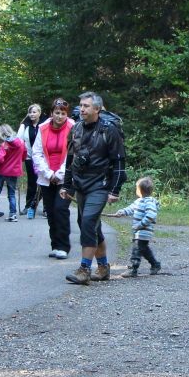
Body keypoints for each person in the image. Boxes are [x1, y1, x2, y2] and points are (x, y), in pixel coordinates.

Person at [62, 92, 127, 285]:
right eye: (81, 105)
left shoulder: (109, 130)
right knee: (89, 225)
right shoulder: (76, 128)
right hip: (81, 184)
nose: (81, 109)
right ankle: (103, 267)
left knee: (88, 221)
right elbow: (70, 159)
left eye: (86, 106)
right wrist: (66, 185)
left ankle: (84, 270)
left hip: (100, 184)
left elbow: (119, 162)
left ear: (97, 109)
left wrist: (115, 190)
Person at [33, 98, 74, 259]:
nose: (60, 117)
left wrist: (60, 174)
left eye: (63, 114)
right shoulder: (42, 128)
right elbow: (37, 153)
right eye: (57, 113)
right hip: (46, 177)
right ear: (51, 113)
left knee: (60, 209)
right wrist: (49, 173)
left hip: (66, 177)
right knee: (50, 211)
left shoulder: (73, 127)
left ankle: (64, 246)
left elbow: (73, 153)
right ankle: (55, 245)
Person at [106, 176, 162, 277]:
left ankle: (133, 269)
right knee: (144, 249)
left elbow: (151, 215)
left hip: (144, 231)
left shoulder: (149, 202)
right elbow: (130, 209)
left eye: (136, 188)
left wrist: (140, 225)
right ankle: (155, 264)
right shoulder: (139, 201)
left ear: (140, 190)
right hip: (139, 232)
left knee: (136, 250)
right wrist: (122, 212)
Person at [0, 124, 25, 222]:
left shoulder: (4, 145)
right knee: (11, 193)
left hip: (2, 171)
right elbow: (24, 154)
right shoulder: (21, 142)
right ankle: (13, 214)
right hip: (14, 172)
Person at [16, 104, 43, 219]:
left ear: (39, 113)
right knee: (32, 182)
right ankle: (28, 205)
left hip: (42, 159)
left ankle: (44, 207)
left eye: (34, 112)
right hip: (29, 158)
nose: (32, 114)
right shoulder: (25, 126)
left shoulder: (43, 125)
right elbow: (18, 140)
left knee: (44, 183)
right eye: (30, 112)